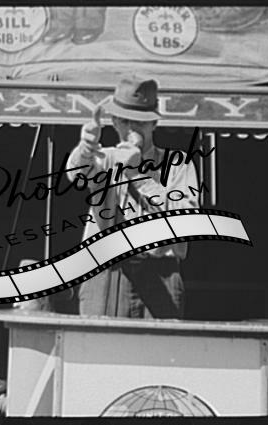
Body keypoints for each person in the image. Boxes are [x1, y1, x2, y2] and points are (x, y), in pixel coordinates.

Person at [66, 77, 200, 319]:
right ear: (114, 122)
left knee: (160, 343)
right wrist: (86, 147)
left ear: (154, 123)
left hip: (160, 270)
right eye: (124, 120)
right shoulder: (105, 157)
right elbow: (77, 175)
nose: (131, 129)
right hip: (105, 270)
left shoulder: (178, 164)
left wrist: (139, 176)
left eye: (139, 121)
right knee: (97, 342)